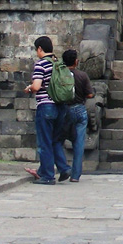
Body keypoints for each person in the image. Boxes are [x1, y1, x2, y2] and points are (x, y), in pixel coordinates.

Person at [24, 36, 70, 185]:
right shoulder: (59, 63)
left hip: (46, 106)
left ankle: (48, 176)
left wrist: (29, 88)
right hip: (61, 106)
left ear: (39, 49)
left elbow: (37, 86)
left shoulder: (41, 64)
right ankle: (63, 168)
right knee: (55, 141)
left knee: (44, 142)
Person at [61, 49, 94, 182]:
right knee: (79, 144)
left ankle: (62, 167)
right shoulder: (82, 75)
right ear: (76, 61)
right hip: (80, 109)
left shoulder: (61, 75)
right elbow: (90, 94)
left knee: (58, 140)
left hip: (65, 109)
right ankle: (75, 175)